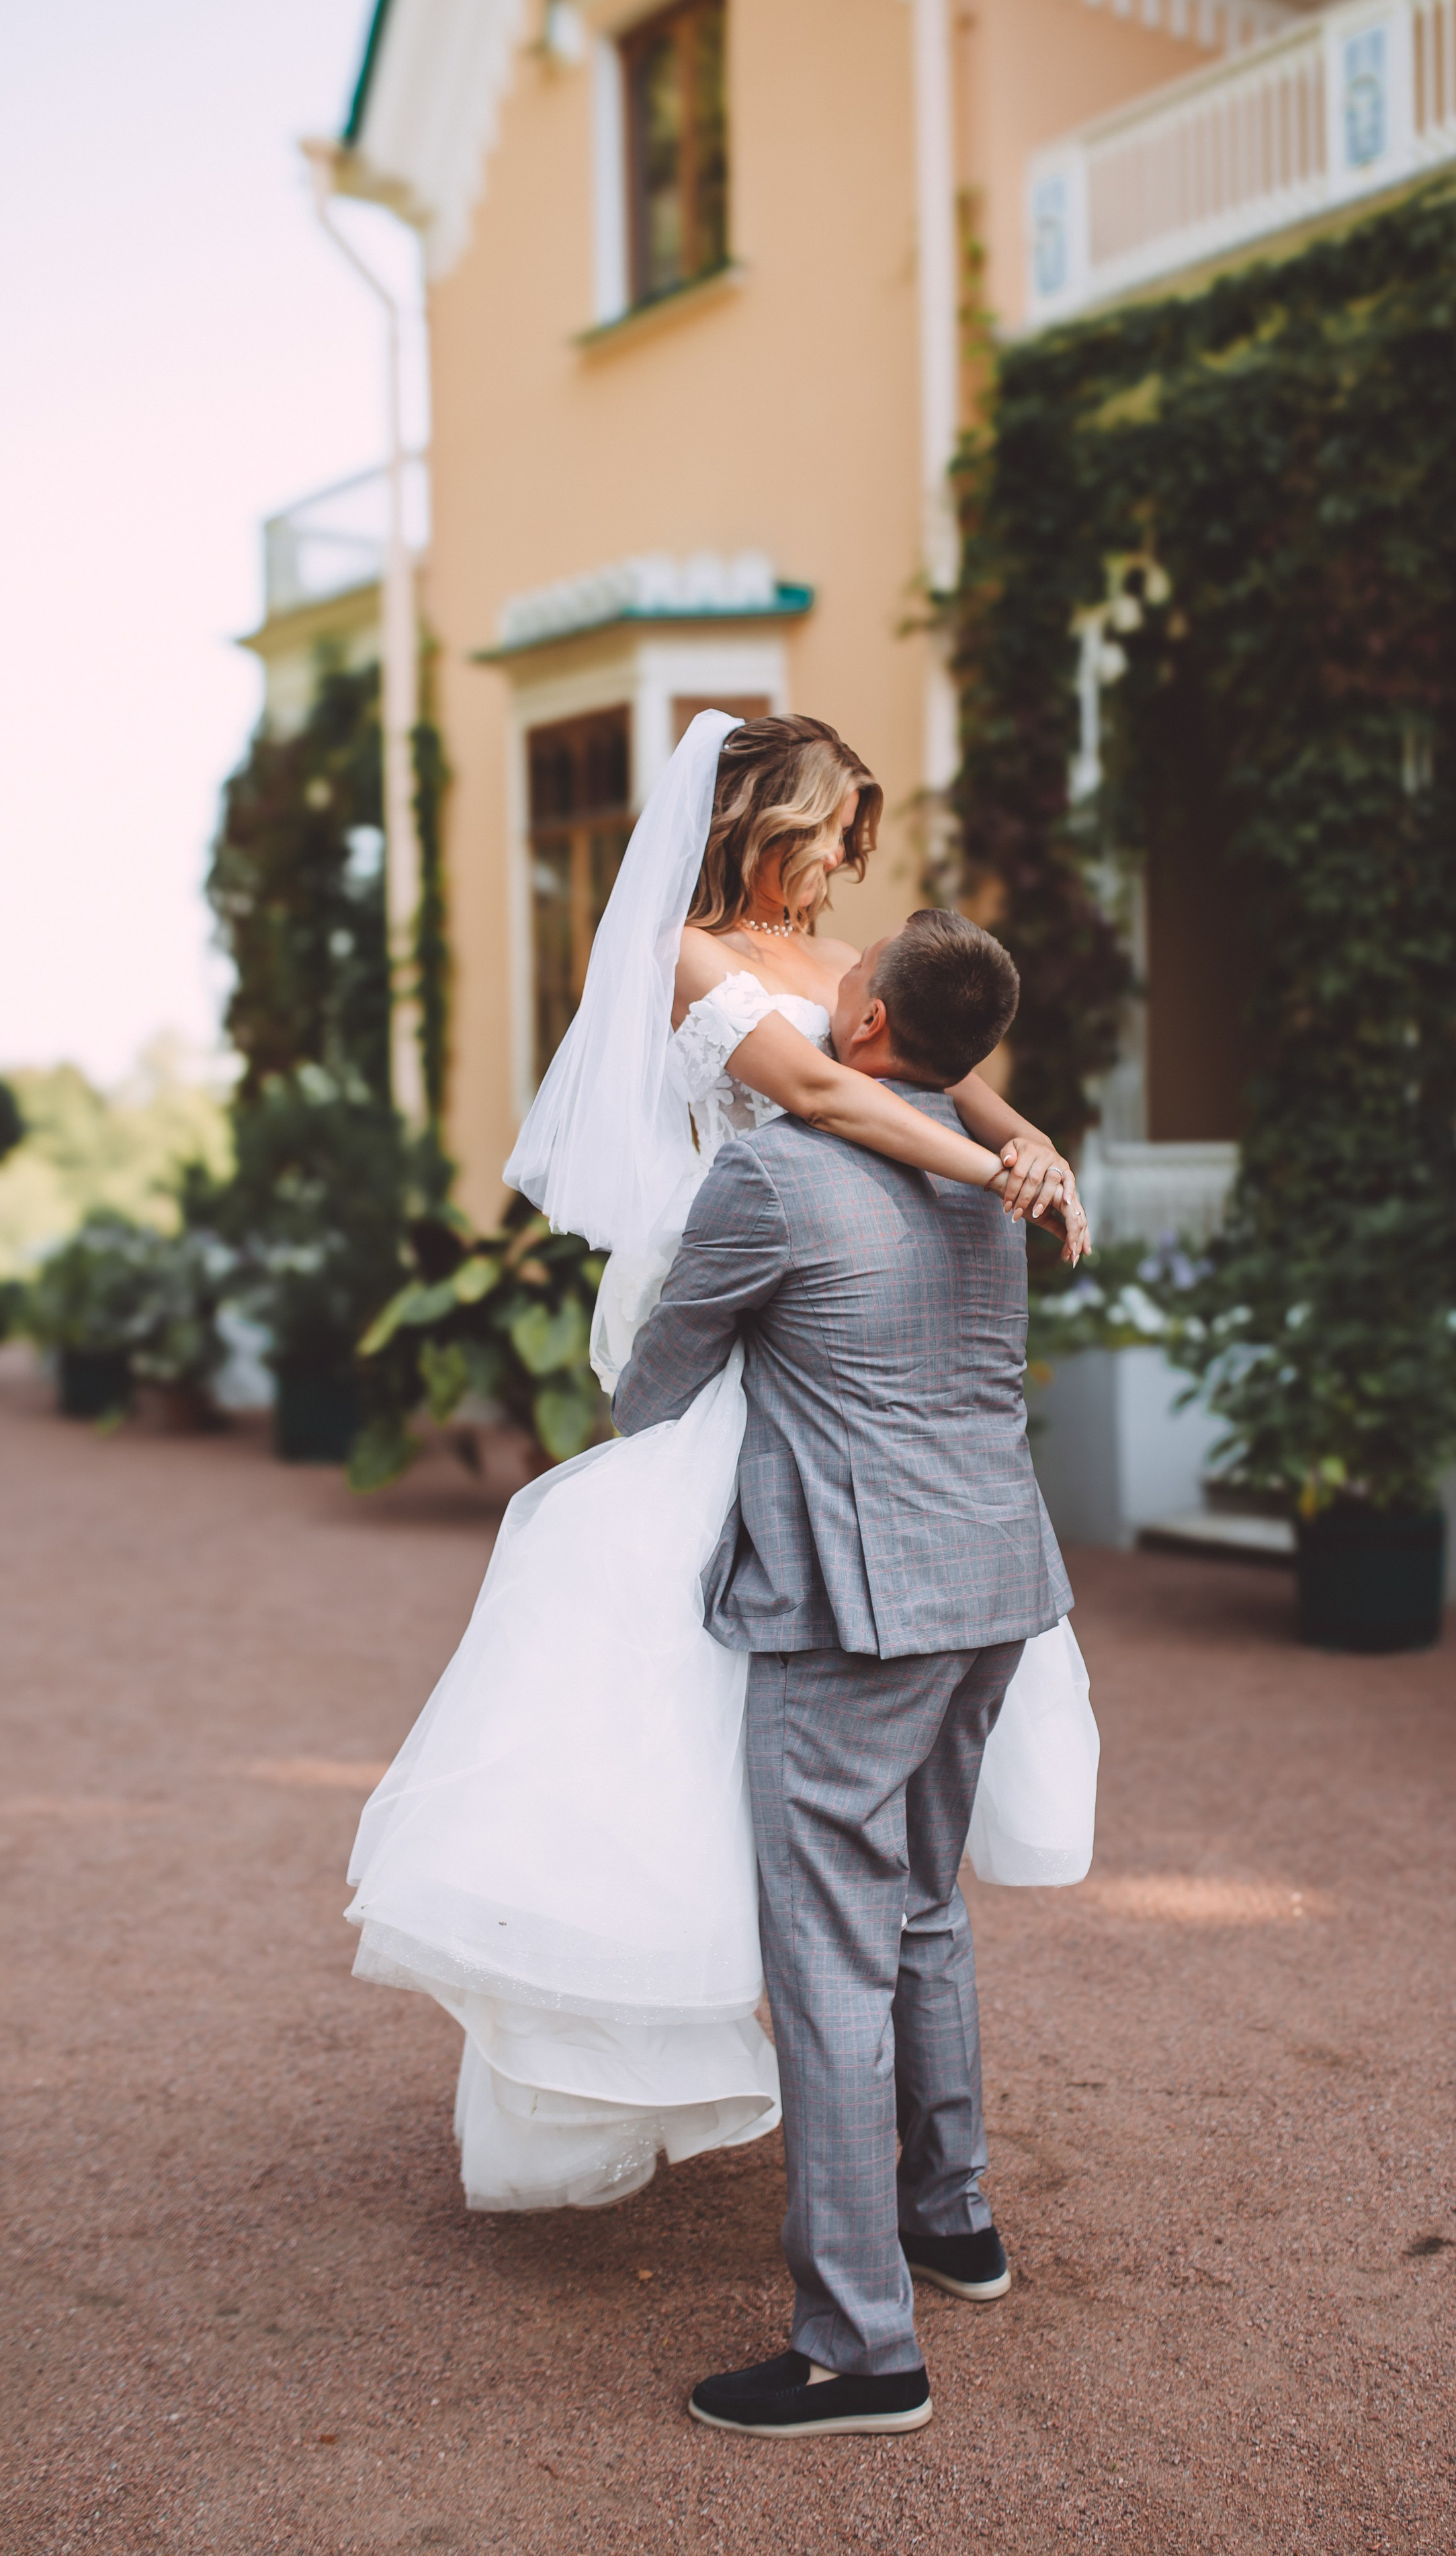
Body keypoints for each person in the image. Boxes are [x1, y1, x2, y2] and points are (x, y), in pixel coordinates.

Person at [345, 711, 1099, 2227]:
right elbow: (825, 1101)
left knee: (894, 1851)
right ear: (756, 820)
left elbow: (953, 1086)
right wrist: (987, 1178)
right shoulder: (685, 959)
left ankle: (917, 2180)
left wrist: (1035, 1148)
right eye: (826, 832)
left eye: (852, 841)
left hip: (846, 1344)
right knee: (674, 1690)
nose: (841, 864)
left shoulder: (856, 972)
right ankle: (696, 2006)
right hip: (759, 1304)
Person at [613, 907, 1070, 2438]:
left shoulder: (774, 1170)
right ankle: (952, 2221)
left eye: (843, 975)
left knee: (823, 1949)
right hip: (996, 1580)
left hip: (853, 1606)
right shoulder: (993, 1169)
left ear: (865, 1025)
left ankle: (857, 2349)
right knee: (923, 1902)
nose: (824, 981)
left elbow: (659, 1375)